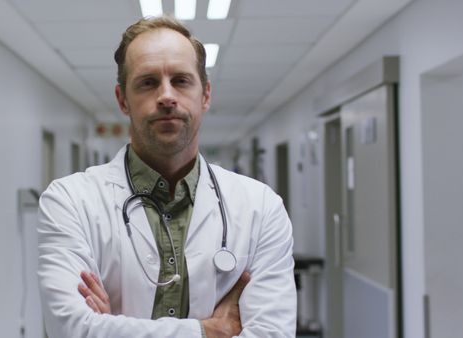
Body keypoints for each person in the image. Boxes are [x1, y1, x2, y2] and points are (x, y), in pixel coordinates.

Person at [38, 16, 296, 338]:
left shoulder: (262, 207)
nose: (166, 96)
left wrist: (110, 327)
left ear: (205, 95)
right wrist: (207, 332)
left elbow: (273, 334)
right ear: (122, 100)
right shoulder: (69, 201)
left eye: (181, 80)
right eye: (147, 82)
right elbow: (70, 329)